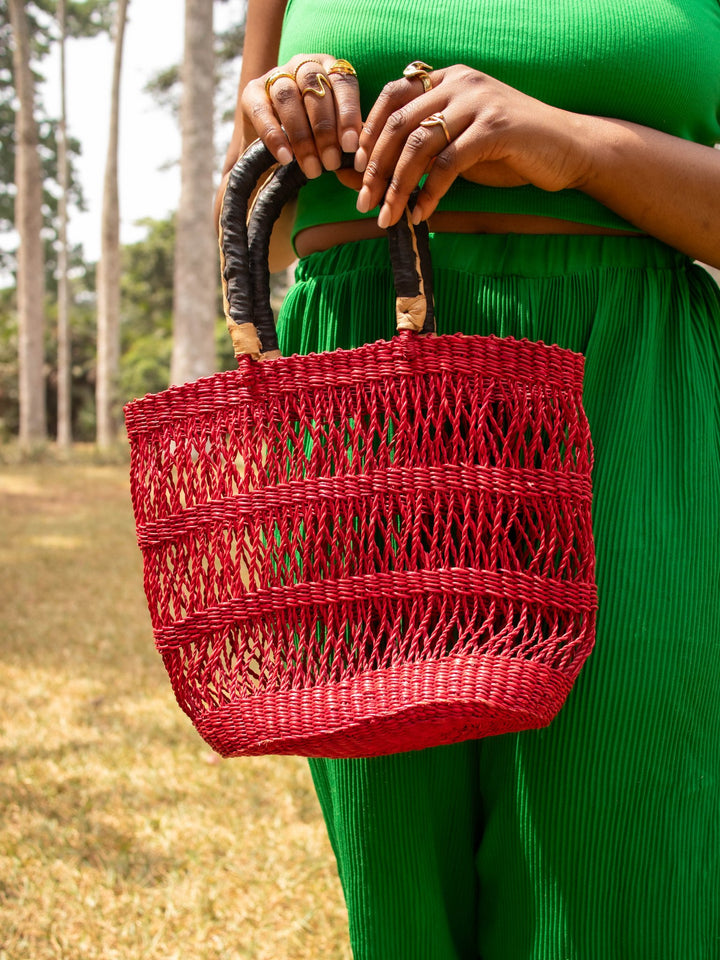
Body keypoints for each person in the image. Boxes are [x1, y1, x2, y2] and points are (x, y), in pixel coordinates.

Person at [218, 1, 720, 956]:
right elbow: (258, 231)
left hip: (627, 401)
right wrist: (280, 118)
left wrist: (577, 146)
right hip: (369, 424)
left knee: (630, 862)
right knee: (402, 879)